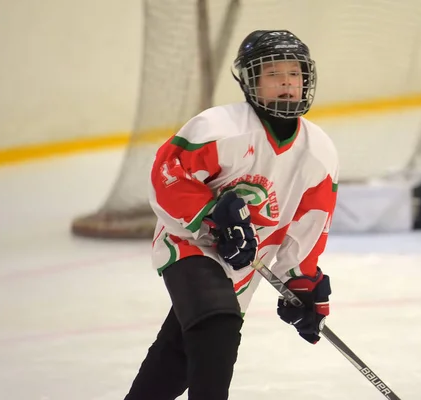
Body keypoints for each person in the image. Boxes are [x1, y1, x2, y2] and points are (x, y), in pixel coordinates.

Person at [124, 30, 339, 400]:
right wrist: (210, 215)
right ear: (251, 82)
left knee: (175, 364)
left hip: (243, 266)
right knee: (218, 328)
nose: (287, 82)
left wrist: (301, 282)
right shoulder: (218, 128)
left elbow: (310, 224)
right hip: (189, 243)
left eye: (295, 73)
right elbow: (167, 174)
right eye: (273, 74)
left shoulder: (319, 152)